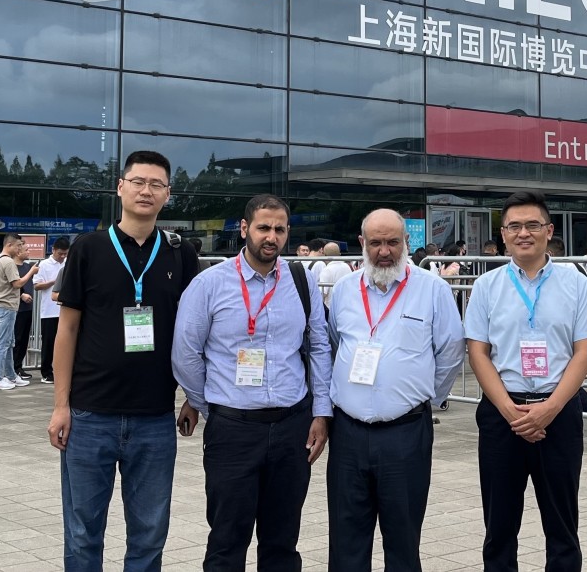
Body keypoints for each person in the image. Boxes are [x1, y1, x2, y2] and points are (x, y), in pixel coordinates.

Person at [48, 152, 200, 571]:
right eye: (138, 181)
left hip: (155, 418)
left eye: (156, 184)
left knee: (149, 535)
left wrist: (194, 397)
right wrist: (60, 406)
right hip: (89, 415)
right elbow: (67, 330)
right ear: (120, 187)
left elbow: (195, 332)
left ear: (168, 194)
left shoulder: (180, 254)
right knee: (82, 533)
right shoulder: (88, 248)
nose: (146, 191)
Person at [172, 194, 332, 572]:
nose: (271, 237)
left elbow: (319, 346)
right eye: (263, 228)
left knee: (282, 542)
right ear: (245, 229)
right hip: (233, 431)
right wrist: (210, 405)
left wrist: (321, 412)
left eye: (279, 229)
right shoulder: (209, 284)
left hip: (292, 427)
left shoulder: (301, 281)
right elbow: (185, 353)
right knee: (227, 541)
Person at [464, 191, 587, 571]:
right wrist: (509, 411)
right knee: (499, 526)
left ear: (549, 230)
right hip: (502, 414)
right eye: (514, 226)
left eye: (532, 225)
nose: (523, 233)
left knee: (562, 524)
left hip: (558, 413)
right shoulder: (486, 286)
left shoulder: (575, 282)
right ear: (503, 234)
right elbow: (478, 353)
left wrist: (550, 409)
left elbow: (584, 351)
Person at [325, 208, 464, 572]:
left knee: (403, 541)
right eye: (375, 243)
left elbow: (451, 350)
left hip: (406, 433)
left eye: (392, 242)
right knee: (345, 542)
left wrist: (423, 398)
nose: (384, 251)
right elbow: (335, 342)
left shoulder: (432, 289)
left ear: (406, 241)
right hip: (348, 434)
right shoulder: (344, 290)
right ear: (362, 243)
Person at [0, 234, 37, 391]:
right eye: (18, 246)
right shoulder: (8, 261)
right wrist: (31, 272)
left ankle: (11, 376)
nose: (19, 249)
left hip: (3, 306)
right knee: (3, 344)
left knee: (9, 343)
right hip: (6, 306)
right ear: (9, 245)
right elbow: (17, 284)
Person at [33, 237, 69, 384]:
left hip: (65, 309)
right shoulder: (44, 264)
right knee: (48, 343)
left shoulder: (68, 263)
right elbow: (36, 285)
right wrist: (54, 282)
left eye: (65, 253)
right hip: (49, 311)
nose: (62, 256)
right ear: (53, 250)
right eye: (60, 253)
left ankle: (63, 371)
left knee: (66, 343)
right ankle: (46, 372)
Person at [13, 246, 37, 382]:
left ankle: (19, 367)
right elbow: (12, 284)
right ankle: (12, 368)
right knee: (16, 338)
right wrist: (21, 295)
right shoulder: (11, 266)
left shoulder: (28, 266)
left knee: (24, 339)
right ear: (18, 252)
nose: (29, 252)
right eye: (26, 250)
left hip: (28, 308)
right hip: (16, 308)